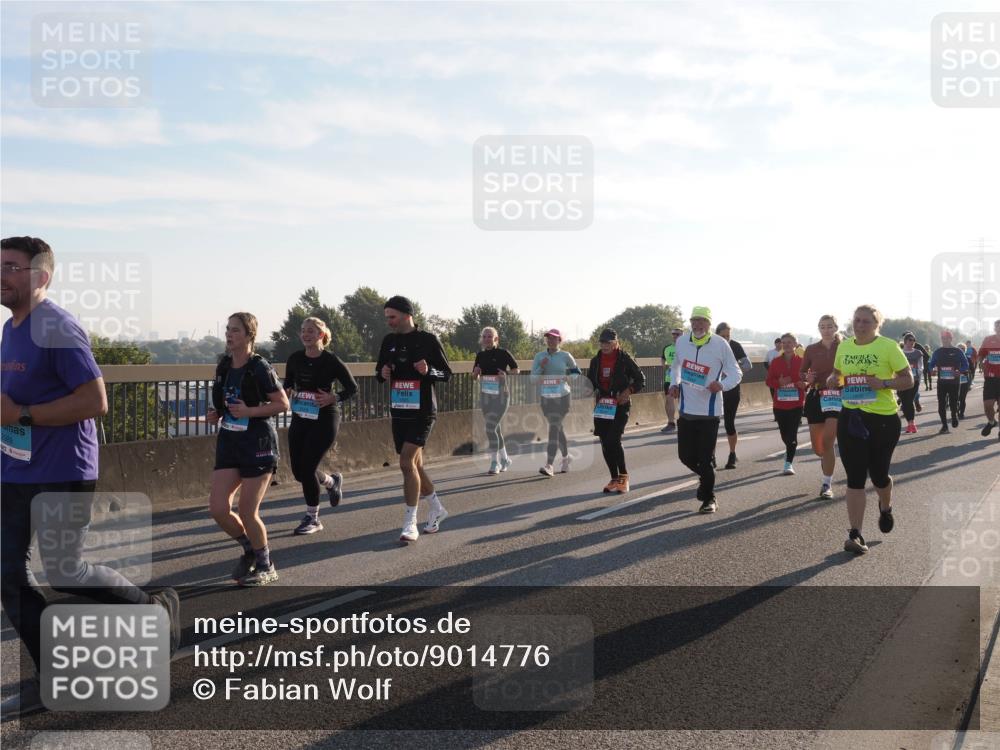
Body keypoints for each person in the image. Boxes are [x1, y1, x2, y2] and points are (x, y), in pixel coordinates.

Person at [1, 236, 180, 717]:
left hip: (64, 469)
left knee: (64, 571)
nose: (2, 274)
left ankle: (150, 610)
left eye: (11, 266)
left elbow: (94, 401)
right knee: (8, 574)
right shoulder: (10, 328)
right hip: (15, 469)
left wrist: (20, 415)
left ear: (40, 276)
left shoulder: (57, 327)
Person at [207, 312, 289, 586]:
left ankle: (267, 565)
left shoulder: (259, 367)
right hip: (229, 442)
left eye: (236, 331)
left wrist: (249, 410)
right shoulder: (224, 365)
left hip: (258, 444)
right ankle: (249, 549)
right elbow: (224, 403)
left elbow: (282, 404)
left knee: (246, 510)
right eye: (228, 330)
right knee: (218, 508)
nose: (229, 335)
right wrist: (216, 413)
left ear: (249, 335)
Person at [828, 304, 912, 554]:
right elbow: (837, 373)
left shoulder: (887, 346)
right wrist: (835, 379)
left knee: (878, 476)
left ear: (877, 324)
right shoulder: (844, 346)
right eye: (857, 320)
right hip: (851, 417)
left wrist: (883, 383)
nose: (860, 325)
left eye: (866, 321)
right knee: (854, 477)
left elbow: (908, 379)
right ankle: (855, 534)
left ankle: (885, 507)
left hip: (883, 420)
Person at [375, 296, 452, 543]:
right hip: (400, 411)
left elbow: (446, 374)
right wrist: (383, 372)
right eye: (386, 317)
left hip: (423, 411)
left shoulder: (428, 340)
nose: (388, 321)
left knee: (406, 462)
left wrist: (429, 370)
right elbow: (379, 373)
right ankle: (437, 508)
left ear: (407, 314)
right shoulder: (389, 341)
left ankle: (410, 523)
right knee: (415, 466)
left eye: (392, 317)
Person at [283, 317, 357, 535]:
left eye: (311, 331)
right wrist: (285, 394)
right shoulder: (295, 358)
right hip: (301, 417)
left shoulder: (331, 360)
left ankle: (312, 518)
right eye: (303, 331)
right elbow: (288, 385)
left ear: (321, 335)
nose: (306, 334)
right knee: (299, 471)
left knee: (307, 468)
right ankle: (331, 481)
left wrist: (334, 398)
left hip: (325, 418)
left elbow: (353, 389)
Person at [668, 306, 742, 514]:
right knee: (685, 457)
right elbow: (675, 366)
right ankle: (706, 478)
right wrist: (675, 384)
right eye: (694, 321)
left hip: (709, 412)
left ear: (709, 324)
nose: (698, 325)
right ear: (690, 322)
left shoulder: (720, 344)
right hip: (686, 410)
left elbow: (736, 373)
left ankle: (709, 498)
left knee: (705, 458)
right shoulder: (682, 342)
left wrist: (722, 385)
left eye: (702, 321)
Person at [586, 329, 645, 493]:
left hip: (620, 404)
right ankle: (613, 478)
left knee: (613, 439)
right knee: (604, 442)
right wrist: (583, 388)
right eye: (602, 342)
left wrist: (628, 392)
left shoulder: (624, 359)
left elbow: (641, 379)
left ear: (616, 343)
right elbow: (590, 383)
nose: (605, 345)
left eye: (608, 342)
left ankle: (624, 476)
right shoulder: (595, 361)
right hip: (603, 404)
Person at [801, 314, 841, 498]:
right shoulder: (811, 349)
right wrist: (806, 378)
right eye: (823, 326)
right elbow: (802, 373)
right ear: (819, 329)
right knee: (819, 449)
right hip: (816, 395)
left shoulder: (844, 347)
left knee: (828, 440)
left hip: (836, 395)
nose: (826, 330)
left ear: (836, 328)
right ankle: (825, 460)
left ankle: (826, 484)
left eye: (830, 326)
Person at [531, 329, 581, 477]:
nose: (551, 341)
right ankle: (566, 458)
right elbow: (533, 379)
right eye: (548, 338)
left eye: (554, 338)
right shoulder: (539, 356)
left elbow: (577, 373)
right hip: (546, 397)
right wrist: (542, 366)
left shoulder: (566, 356)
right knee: (558, 428)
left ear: (560, 340)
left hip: (563, 397)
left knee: (554, 427)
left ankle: (549, 464)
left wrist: (568, 378)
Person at [473, 326, 519, 475]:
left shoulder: (503, 353)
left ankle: (495, 462)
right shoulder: (480, 355)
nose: (487, 339)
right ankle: (505, 459)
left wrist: (505, 373)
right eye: (484, 336)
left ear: (496, 339)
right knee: (496, 429)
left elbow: (516, 369)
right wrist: (475, 373)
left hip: (501, 396)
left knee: (490, 428)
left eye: (490, 336)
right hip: (486, 396)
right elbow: (474, 376)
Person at [765, 333, 806, 475]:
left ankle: (788, 463)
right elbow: (768, 381)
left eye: (789, 342)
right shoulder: (776, 362)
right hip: (780, 405)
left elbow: (809, 380)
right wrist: (779, 383)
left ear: (795, 344)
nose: (787, 345)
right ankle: (789, 449)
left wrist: (804, 384)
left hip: (796, 404)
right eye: (784, 342)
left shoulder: (802, 361)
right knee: (784, 435)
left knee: (792, 435)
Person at [715, 322, 753, 469]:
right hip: (713, 390)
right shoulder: (711, 346)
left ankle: (732, 454)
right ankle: (711, 456)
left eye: (728, 336)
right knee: (712, 424)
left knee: (729, 423)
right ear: (717, 334)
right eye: (722, 336)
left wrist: (733, 371)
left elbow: (748, 365)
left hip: (731, 390)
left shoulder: (735, 346)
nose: (726, 339)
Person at [928, 330, 970, 434]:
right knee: (941, 404)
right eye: (942, 338)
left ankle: (954, 415)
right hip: (941, 383)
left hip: (954, 383)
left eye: (946, 338)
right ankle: (944, 425)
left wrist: (959, 371)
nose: (944, 340)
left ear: (951, 339)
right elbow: (931, 364)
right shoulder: (937, 352)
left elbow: (966, 365)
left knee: (953, 402)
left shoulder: (957, 351)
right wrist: (931, 370)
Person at [978, 319, 1000, 439]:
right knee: (988, 405)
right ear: (994, 328)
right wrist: (980, 362)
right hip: (990, 379)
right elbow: (981, 354)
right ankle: (992, 422)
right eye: (997, 326)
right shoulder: (988, 340)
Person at [899, 332, 923, 434]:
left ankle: (911, 424)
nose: (912, 342)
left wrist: (918, 372)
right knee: (904, 403)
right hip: (901, 380)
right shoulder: (899, 352)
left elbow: (921, 365)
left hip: (914, 380)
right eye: (910, 340)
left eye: (914, 340)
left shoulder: (918, 353)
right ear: (905, 341)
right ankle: (909, 423)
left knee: (909, 400)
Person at [660, 328, 682, 432]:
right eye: (673, 334)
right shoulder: (667, 348)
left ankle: (684, 421)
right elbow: (662, 358)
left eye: (677, 334)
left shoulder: (687, 348)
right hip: (669, 379)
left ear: (682, 335)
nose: (675, 336)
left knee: (683, 402)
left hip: (684, 379)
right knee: (669, 401)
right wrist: (664, 366)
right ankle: (671, 423)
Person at [958, 343, 972, 419]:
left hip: (965, 380)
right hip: (955, 381)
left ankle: (961, 413)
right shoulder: (953, 358)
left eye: (962, 348)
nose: (961, 350)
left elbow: (972, 370)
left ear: (965, 350)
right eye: (959, 348)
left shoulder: (968, 358)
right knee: (956, 398)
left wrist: (970, 382)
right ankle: (956, 409)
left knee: (962, 398)